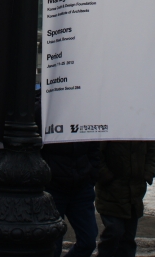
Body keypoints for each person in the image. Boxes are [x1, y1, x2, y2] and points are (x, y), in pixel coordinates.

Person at [37, 101, 100, 257]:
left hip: (81, 187)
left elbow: (95, 146)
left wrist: (91, 175)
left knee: (89, 241)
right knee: (53, 245)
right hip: (53, 188)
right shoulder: (43, 108)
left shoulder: (86, 109)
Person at [95, 141, 155, 257]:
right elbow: (96, 154)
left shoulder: (142, 128)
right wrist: (105, 176)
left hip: (134, 193)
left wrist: (148, 173)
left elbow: (151, 152)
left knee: (128, 239)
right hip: (111, 191)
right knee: (114, 232)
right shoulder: (109, 125)